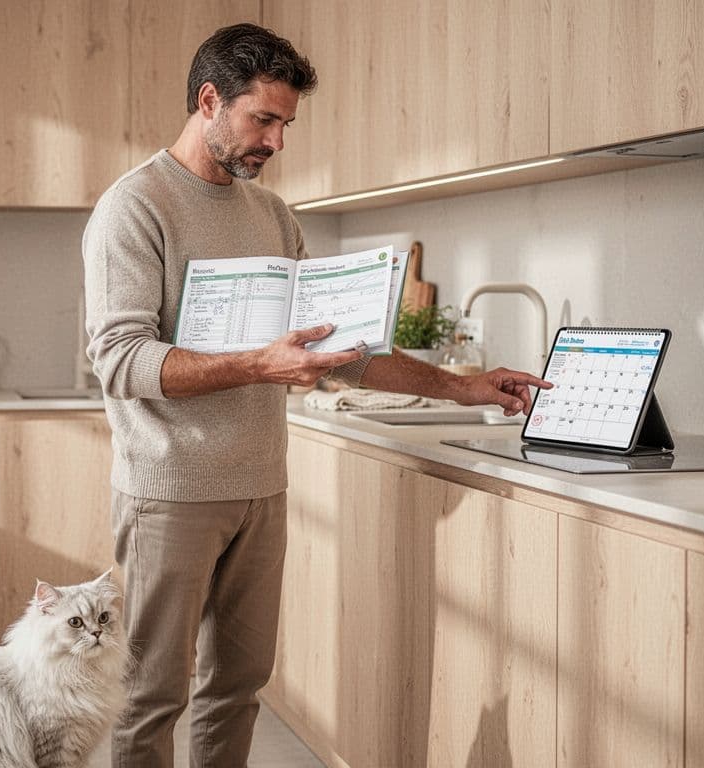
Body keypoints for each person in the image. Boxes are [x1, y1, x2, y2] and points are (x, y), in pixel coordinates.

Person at [82, 23, 551, 768]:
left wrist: (465, 387)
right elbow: (119, 359)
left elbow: (345, 357)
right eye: (261, 119)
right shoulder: (135, 207)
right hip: (169, 491)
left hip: (260, 488)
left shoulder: (272, 216)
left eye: (285, 124)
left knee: (238, 686)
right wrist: (260, 365)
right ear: (209, 100)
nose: (276, 140)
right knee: (154, 695)